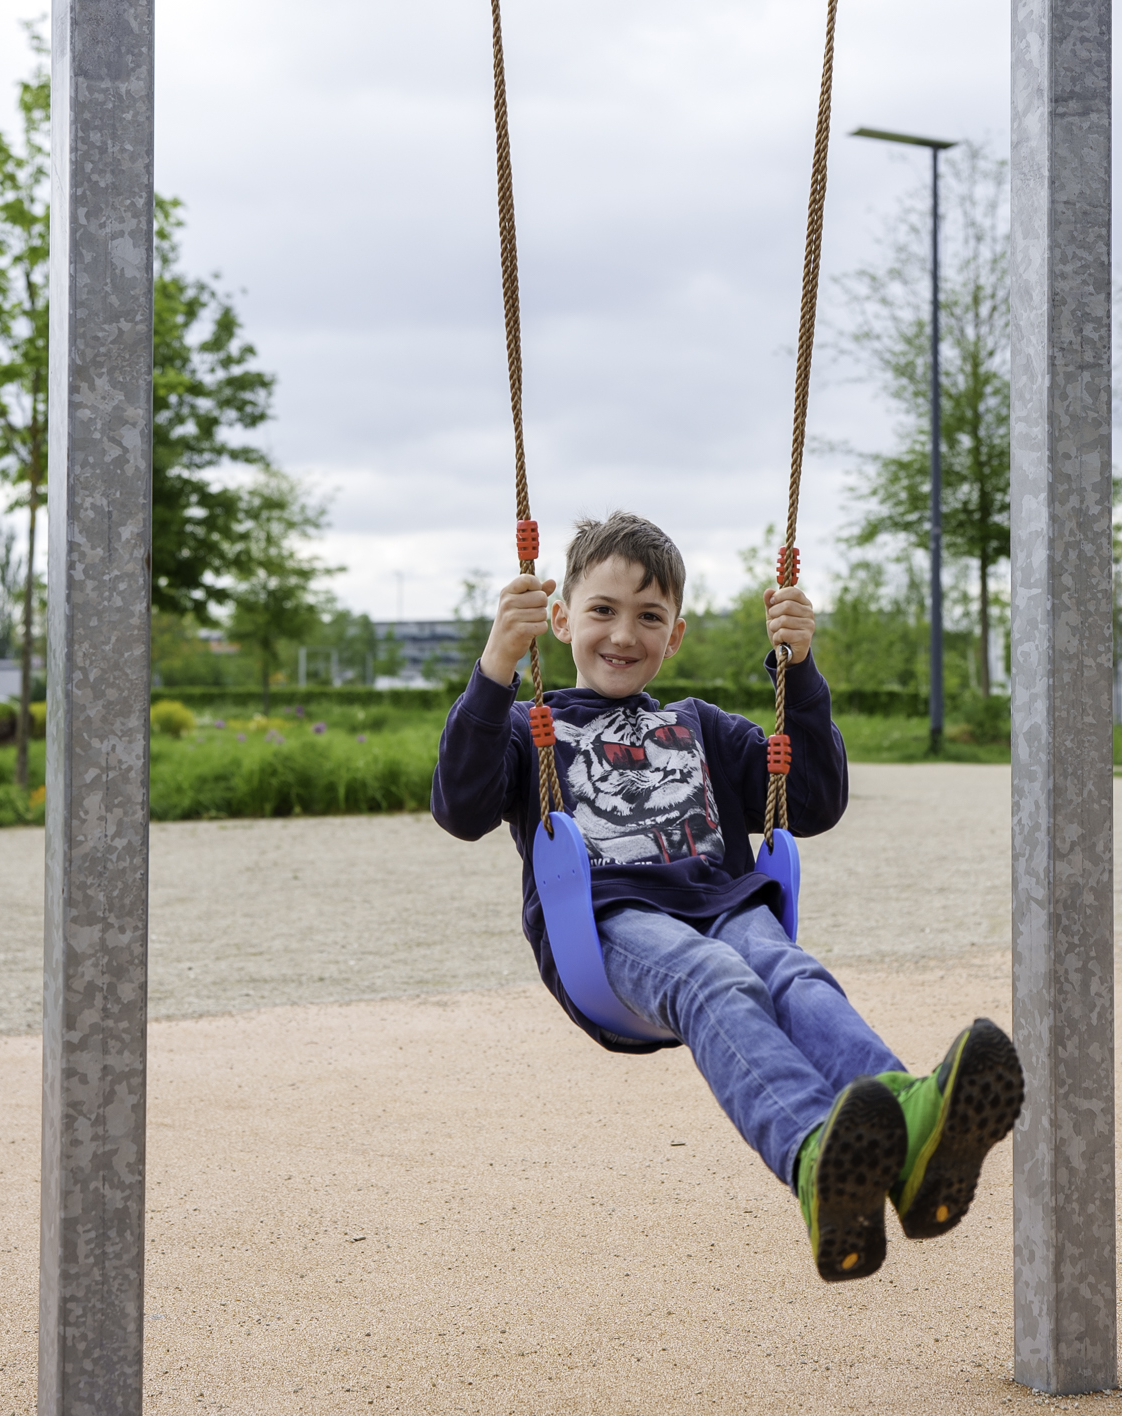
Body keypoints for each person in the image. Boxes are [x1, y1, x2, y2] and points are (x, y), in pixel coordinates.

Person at [432, 511, 1023, 1283]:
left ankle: (911, 1136)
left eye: (650, 617)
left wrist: (800, 671)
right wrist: (495, 668)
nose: (623, 634)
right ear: (559, 616)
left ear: (674, 636)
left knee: (788, 971)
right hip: (612, 926)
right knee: (717, 977)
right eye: (602, 610)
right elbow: (461, 807)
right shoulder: (529, 726)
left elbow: (811, 802)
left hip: (726, 905)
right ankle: (816, 1157)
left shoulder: (701, 727)